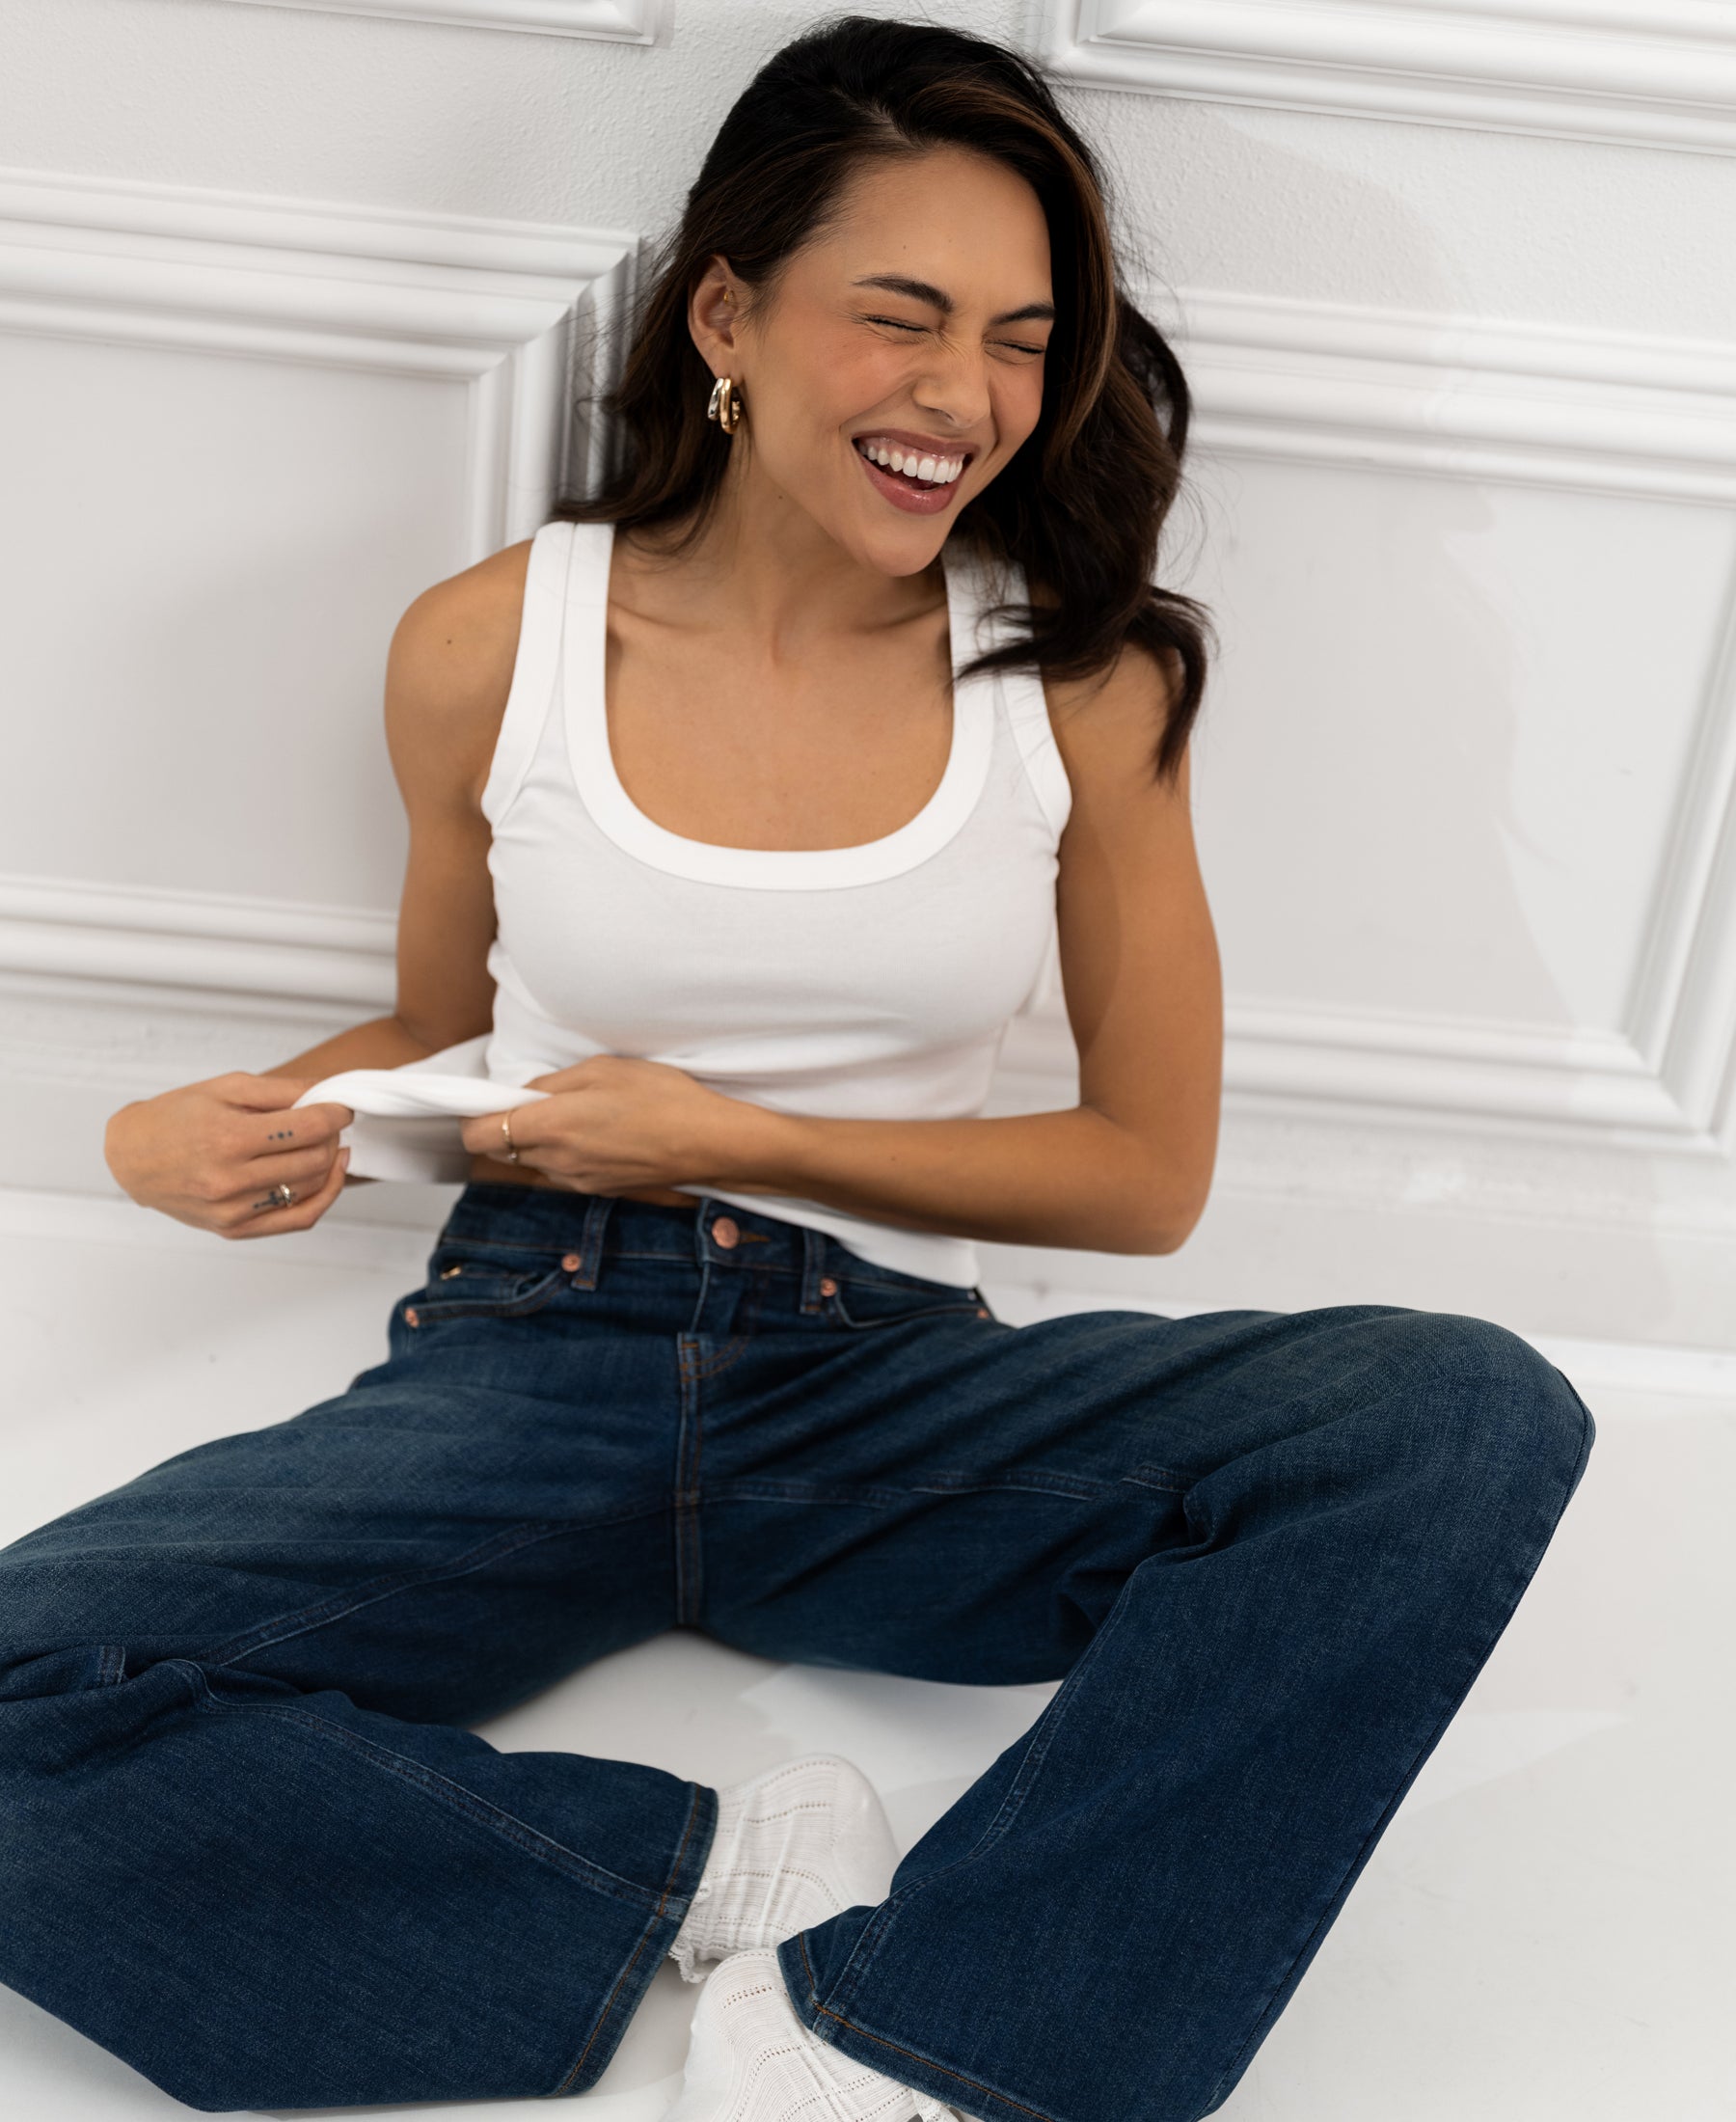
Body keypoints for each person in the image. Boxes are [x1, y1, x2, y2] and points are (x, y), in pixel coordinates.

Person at [0, 15, 1596, 2121]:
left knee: (1461, 1413)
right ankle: (694, 1875)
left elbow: (1146, 1172)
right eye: (904, 315)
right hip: (535, 1344)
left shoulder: (1085, 678)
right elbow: (433, 1022)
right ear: (729, 315)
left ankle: (921, 2031)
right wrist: (165, 1130)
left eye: (1025, 338)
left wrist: (731, 1132)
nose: (969, 397)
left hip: (887, 1390)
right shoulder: (495, 640)